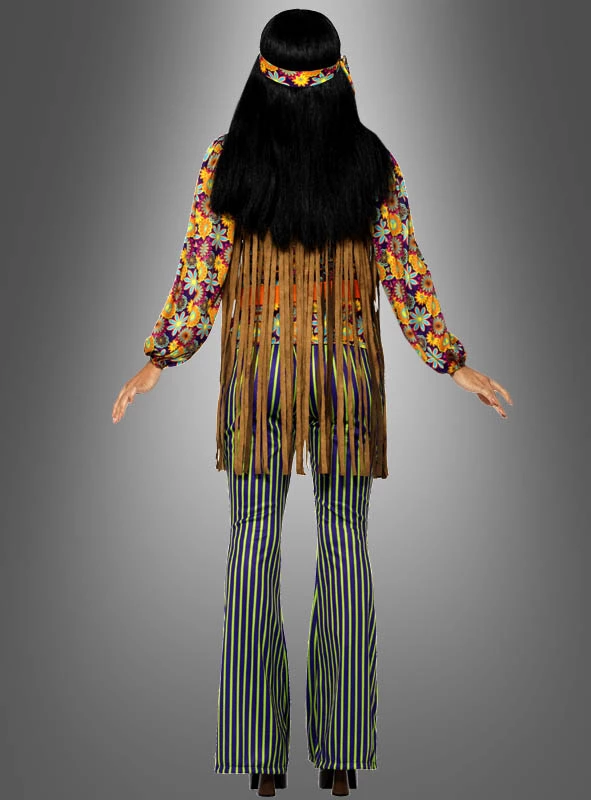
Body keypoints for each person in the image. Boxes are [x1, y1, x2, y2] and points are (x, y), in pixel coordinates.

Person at [112, 9, 513, 797]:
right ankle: (342, 755)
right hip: (345, 377)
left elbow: (200, 271)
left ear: (259, 78)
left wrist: (161, 357)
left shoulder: (226, 160)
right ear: (340, 76)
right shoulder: (370, 161)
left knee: (250, 546)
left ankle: (261, 756)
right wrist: (448, 361)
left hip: (256, 374)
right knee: (346, 545)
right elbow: (404, 271)